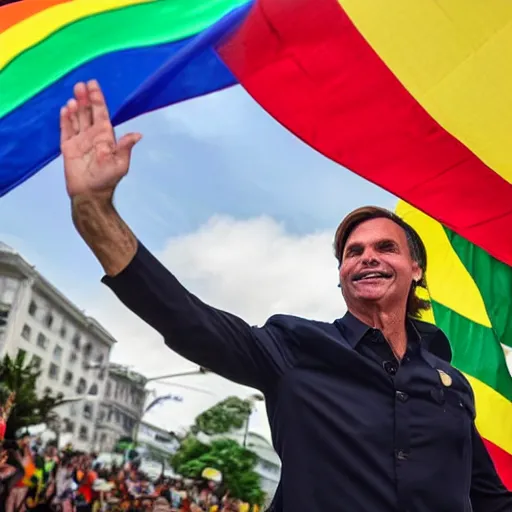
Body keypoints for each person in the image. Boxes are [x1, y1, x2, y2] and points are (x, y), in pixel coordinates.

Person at [59, 80, 512, 512]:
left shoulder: (452, 387)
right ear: (342, 275)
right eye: (353, 252)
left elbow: (490, 500)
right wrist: (95, 212)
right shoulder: (292, 348)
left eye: (385, 248)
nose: (367, 258)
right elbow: (186, 319)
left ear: (416, 270)